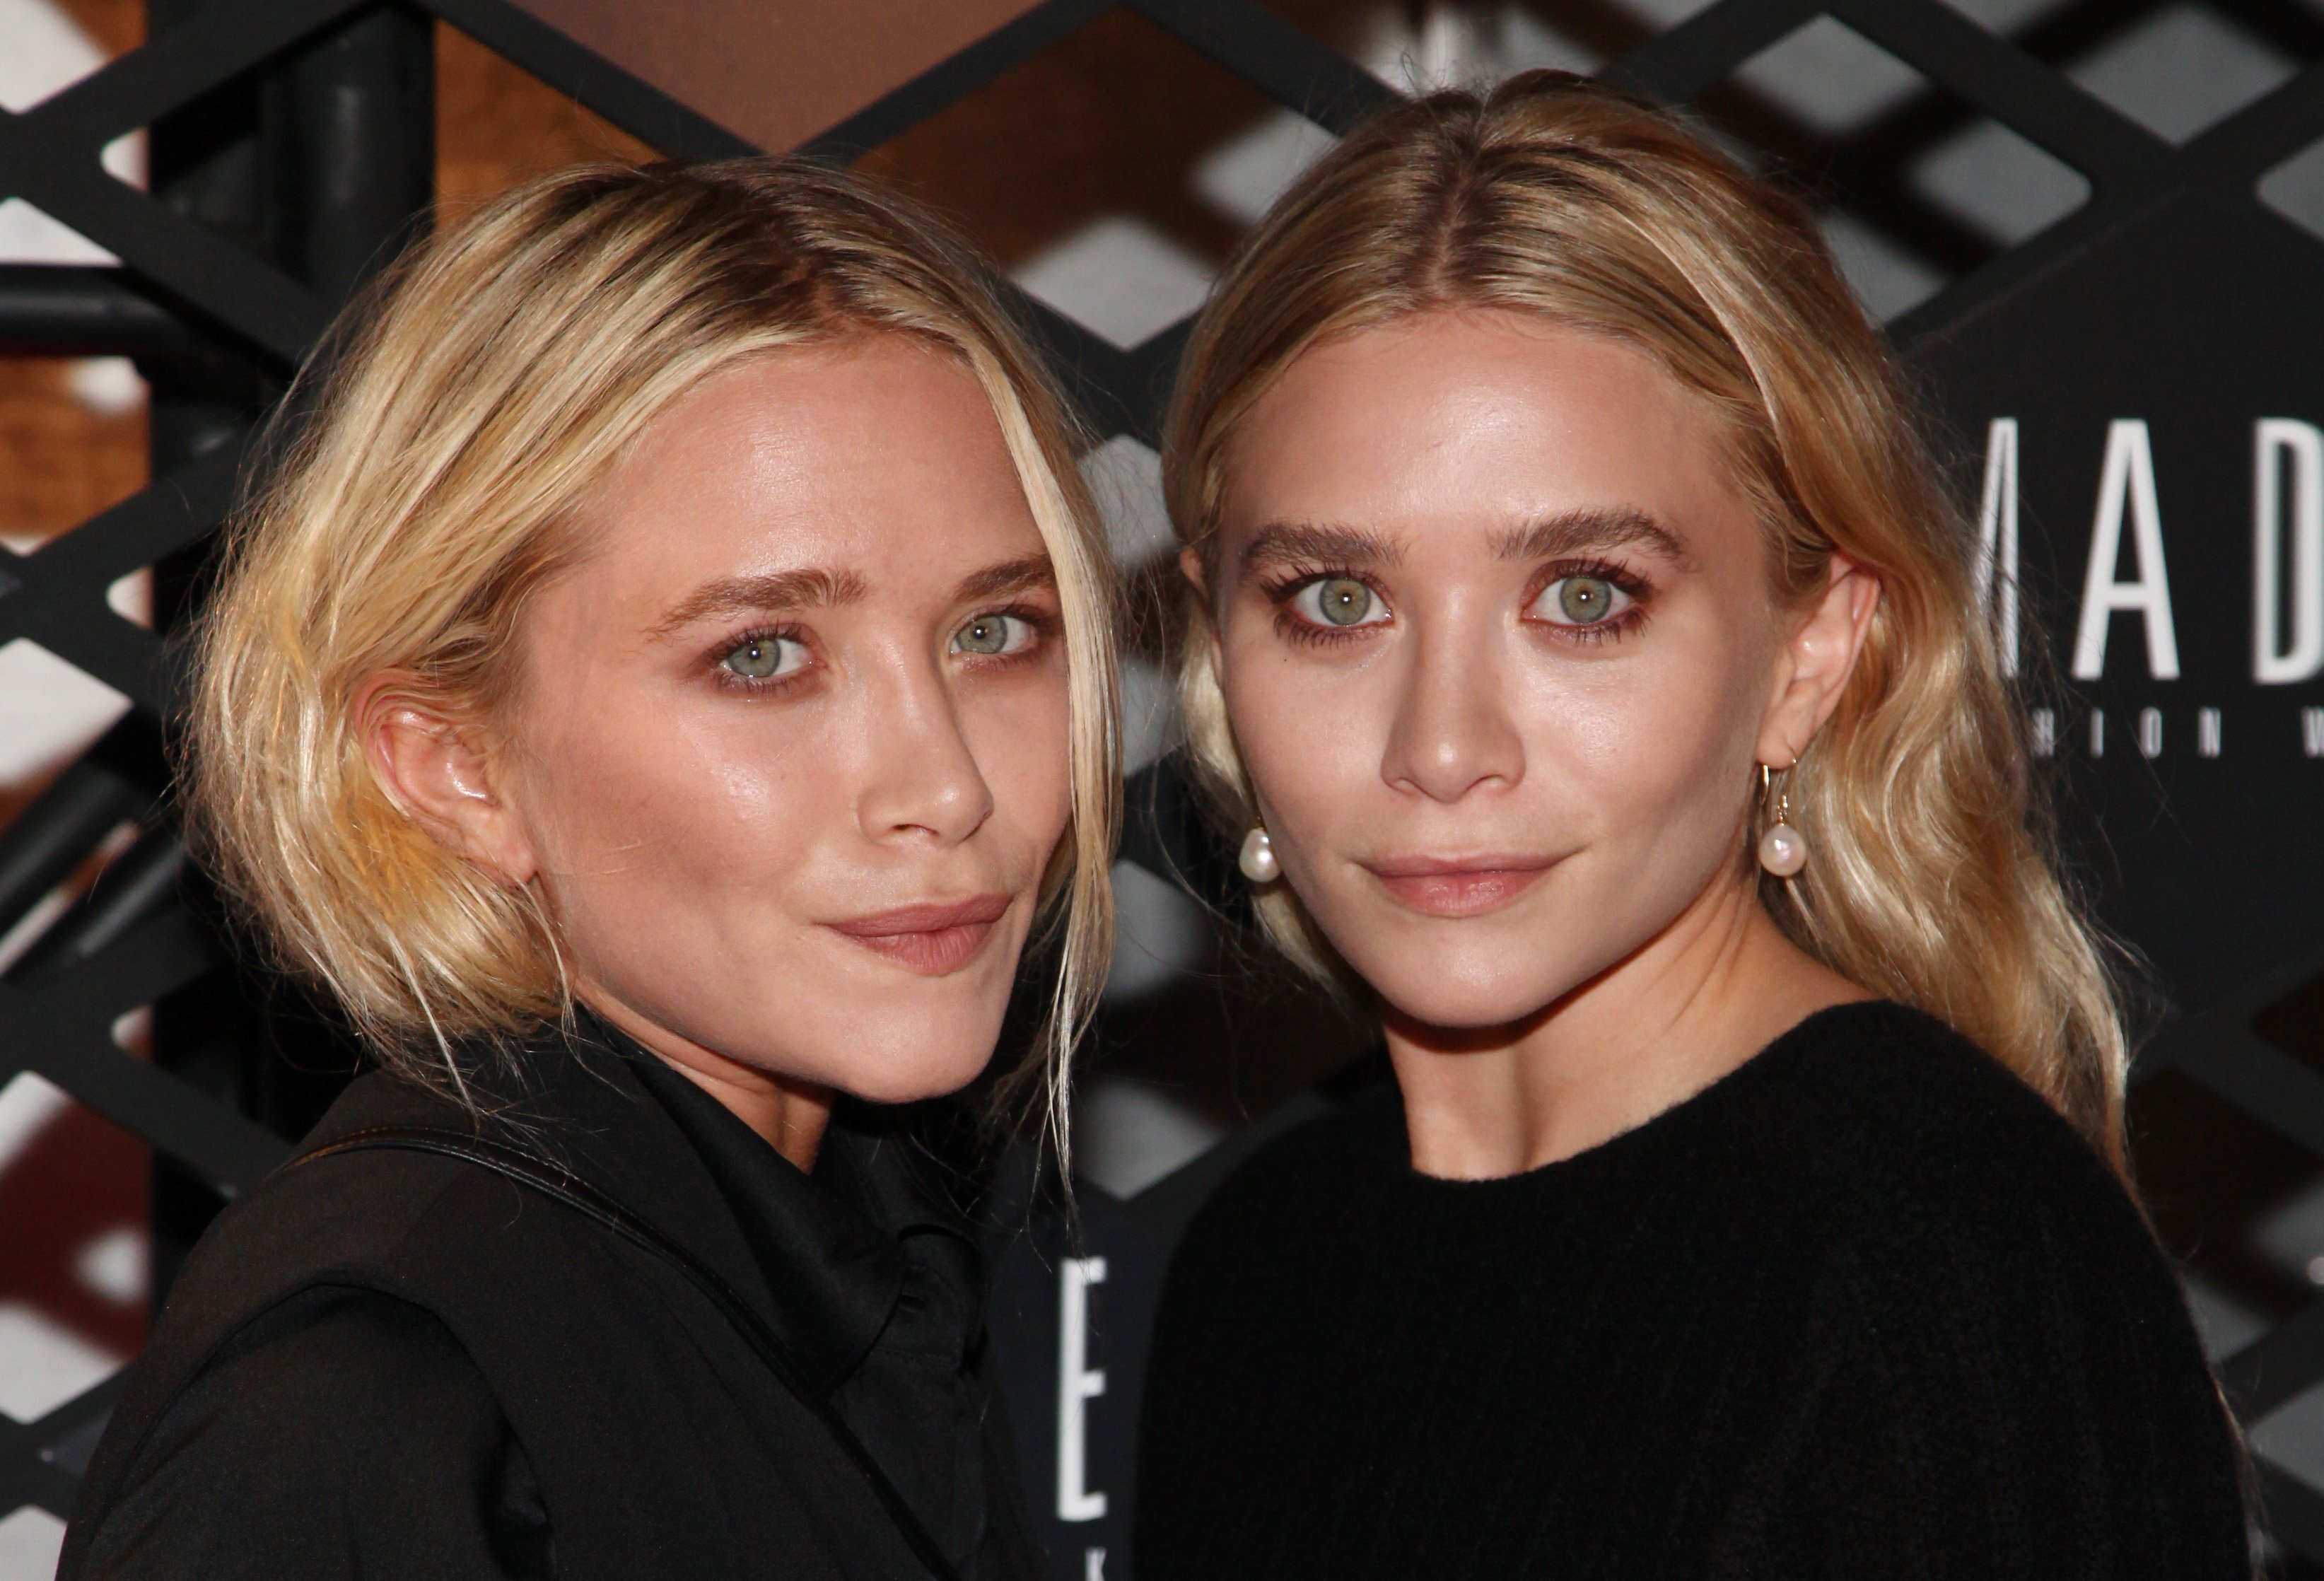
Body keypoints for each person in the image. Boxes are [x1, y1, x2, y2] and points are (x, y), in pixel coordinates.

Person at [1135, 73, 2250, 1580]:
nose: (1442, 745)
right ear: (1215, 639)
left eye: (1584, 597)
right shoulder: (1262, 1265)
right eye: (1337, 601)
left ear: (1808, 655)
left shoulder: (1937, 1260)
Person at [62, 158, 1117, 1581]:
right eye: (762, 656)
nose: (945, 784)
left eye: (995, 633)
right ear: (455, 763)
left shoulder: (869, 1245)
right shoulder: (375, 1383)